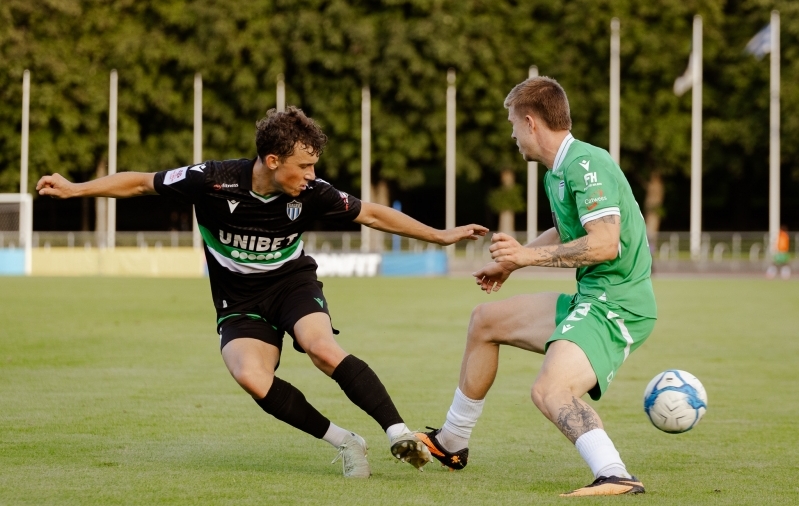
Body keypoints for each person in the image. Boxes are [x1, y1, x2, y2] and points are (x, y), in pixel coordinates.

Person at [36, 106, 488, 478]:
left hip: (291, 284)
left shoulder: (312, 193)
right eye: (305, 165)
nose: (313, 175)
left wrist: (442, 235)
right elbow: (140, 182)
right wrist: (77, 189)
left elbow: (372, 215)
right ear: (273, 161)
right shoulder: (212, 180)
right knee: (251, 377)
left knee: (321, 347)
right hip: (238, 301)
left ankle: (397, 433)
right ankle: (347, 442)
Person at [415, 77, 657, 497]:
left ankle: (614, 472)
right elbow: (568, 232)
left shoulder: (587, 164)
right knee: (485, 321)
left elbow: (604, 243)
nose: (511, 134)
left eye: (512, 123)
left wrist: (526, 257)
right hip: (592, 297)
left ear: (530, 122)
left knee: (550, 390)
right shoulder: (557, 172)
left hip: (618, 304)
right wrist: (514, 262)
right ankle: (452, 442)